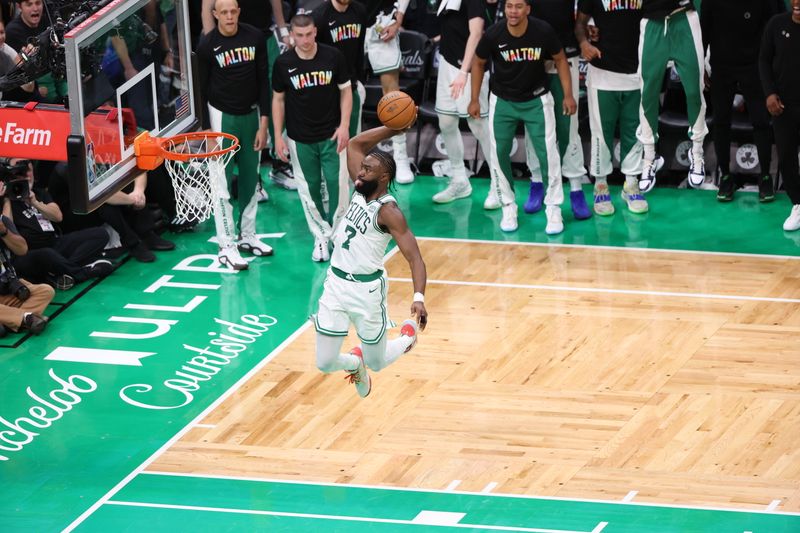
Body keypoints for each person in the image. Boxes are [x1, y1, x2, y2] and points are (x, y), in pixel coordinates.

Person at [313, 124, 427, 398]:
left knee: (378, 362)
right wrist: (391, 128)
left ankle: (407, 338)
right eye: (361, 168)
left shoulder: (390, 213)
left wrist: (419, 297)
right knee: (325, 362)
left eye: (368, 170)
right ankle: (355, 362)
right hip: (336, 284)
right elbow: (353, 144)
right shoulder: (360, 188)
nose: (360, 173)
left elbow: (415, 258)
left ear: (384, 177)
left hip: (367, 292)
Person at [469, 0, 577, 235]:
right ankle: (508, 205)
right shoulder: (494, 33)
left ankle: (553, 207)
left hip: (537, 99)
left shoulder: (543, 31)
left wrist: (568, 95)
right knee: (499, 153)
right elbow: (478, 62)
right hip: (503, 100)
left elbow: (560, 59)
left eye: (518, 6)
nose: (513, 11)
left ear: (528, 9)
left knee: (548, 152)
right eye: (509, 6)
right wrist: (475, 98)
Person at [196, 0, 274, 271]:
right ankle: (226, 244)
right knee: (222, 184)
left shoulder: (254, 36)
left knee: (251, 180)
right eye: (224, 13)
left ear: (239, 12)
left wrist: (264, 124)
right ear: (215, 14)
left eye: (233, 12)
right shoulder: (207, 46)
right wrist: (207, 130)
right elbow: (200, 91)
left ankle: (248, 236)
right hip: (221, 118)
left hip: (251, 117)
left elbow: (264, 81)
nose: (229, 17)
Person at [272, 13, 352, 262]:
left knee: (338, 186)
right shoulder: (283, 63)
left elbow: (346, 91)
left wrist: (345, 126)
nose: (305, 40)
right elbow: (278, 100)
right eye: (299, 35)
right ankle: (321, 236)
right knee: (309, 190)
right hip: (299, 138)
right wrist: (278, 136)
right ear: (292, 36)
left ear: (315, 32)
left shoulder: (333, 56)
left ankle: (339, 235)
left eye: (308, 34)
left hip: (331, 135)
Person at [202, 0, 295, 193]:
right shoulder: (213, 38)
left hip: (263, 37)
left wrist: (283, 30)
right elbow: (207, 8)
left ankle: (280, 162)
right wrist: (214, 41)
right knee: (234, 108)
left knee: (276, 95)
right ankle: (253, 179)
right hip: (228, 43)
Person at [576, 0, 648, 216]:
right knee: (601, 134)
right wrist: (584, 44)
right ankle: (600, 185)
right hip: (602, 74)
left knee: (634, 132)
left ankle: (631, 185)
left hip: (637, 73)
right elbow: (580, 23)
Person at [702, 0, 777, 203]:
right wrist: (701, 65)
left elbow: (776, 24)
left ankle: (765, 176)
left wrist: (772, 65)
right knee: (721, 121)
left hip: (754, 65)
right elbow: (704, 29)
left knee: (761, 121)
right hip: (721, 64)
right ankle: (725, 176)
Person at [1, 159, 114, 289]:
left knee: (100, 234)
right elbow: (7, 226)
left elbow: (57, 216)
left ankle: (60, 272)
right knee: (48, 254)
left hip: (54, 243)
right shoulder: (5, 201)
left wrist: (35, 202)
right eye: (19, 173)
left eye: (28, 171)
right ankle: (83, 273)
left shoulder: (39, 193)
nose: (25, 176)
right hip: (27, 255)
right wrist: (7, 199)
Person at [431, 0, 501, 208]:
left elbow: (477, 32)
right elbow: (455, 26)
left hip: (469, 69)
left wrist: (464, 72)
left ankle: (500, 184)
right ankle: (459, 179)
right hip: (447, 62)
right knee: (446, 122)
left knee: (479, 126)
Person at [525, 0, 589, 220]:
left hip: (566, 52)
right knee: (533, 124)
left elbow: (585, 11)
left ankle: (576, 188)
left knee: (569, 125)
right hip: (532, 56)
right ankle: (536, 182)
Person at [637, 0, 707, 192]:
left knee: (694, 90)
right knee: (647, 94)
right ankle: (649, 158)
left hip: (684, 18)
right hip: (653, 23)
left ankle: (697, 152)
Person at [359, 0, 415, 184]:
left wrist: (397, 20)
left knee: (393, 98)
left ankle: (400, 157)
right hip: (351, 19)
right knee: (349, 89)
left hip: (382, 20)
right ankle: (353, 155)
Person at [760, 0, 800, 231]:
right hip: (783, 106)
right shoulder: (776, 24)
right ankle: (798, 204)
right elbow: (764, 60)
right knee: (786, 158)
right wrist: (769, 93)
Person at [312, 0, 368, 138]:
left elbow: (359, 48)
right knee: (330, 140)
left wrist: (359, 79)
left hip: (351, 84)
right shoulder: (319, 16)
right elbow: (313, 56)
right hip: (327, 88)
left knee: (353, 138)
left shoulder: (359, 11)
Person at [0, 211, 53, 336]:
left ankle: (9, 320)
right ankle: (26, 318)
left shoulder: (3, 220)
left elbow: (22, 250)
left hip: (5, 287)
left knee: (45, 291)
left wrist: (4, 233)